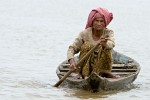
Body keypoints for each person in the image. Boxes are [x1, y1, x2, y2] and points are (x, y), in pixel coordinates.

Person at [67, 7, 115, 79]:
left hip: (101, 66)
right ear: (92, 22)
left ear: (105, 23)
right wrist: (72, 62)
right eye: (96, 21)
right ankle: (81, 73)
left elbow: (112, 44)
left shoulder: (108, 33)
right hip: (86, 67)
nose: (99, 24)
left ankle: (105, 73)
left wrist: (105, 44)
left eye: (101, 21)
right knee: (87, 45)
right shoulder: (85, 33)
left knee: (106, 48)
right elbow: (72, 48)